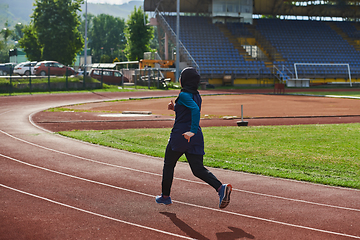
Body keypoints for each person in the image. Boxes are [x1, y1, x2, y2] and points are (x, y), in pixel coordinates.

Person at [155, 67, 232, 209]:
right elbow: (189, 111)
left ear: (184, 80)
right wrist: (175, 108)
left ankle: (165, 197)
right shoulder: (197, 95)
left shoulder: (184, 95)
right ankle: (221, 188)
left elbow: (195, 110)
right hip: (196, 136)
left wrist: (190, 131)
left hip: (182, 135)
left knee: (169, 165)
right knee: (198, 169)